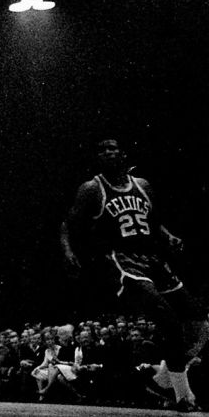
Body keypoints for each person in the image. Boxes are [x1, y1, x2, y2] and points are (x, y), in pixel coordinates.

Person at [60, 138, 203, 412]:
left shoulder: (143, 185)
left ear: (123, 154)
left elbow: (154, 222)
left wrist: (169, 236)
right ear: (97, 158)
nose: (107, 152)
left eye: (112, 148)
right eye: (101, 149)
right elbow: (68, 223)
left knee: (200, 324)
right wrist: (68, 251)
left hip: (153, 259)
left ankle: (163, 377)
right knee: (169, 321)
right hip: (122, 260)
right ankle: (184, 396)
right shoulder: (92, 189)